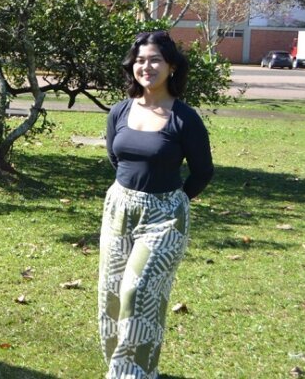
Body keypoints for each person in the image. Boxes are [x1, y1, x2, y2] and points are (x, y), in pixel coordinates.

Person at [98, 30, 214, 379]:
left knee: (139, 291)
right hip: (118, 209)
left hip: (164, 217)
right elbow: (116, 161)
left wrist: (171, 201)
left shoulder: (185, 118)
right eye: (140, 60)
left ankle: (130, 375)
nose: (146, 66)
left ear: (172, 67)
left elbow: (202, 172)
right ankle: (123, 366)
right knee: (113, 296)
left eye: (155, 60)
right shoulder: (119, 111)